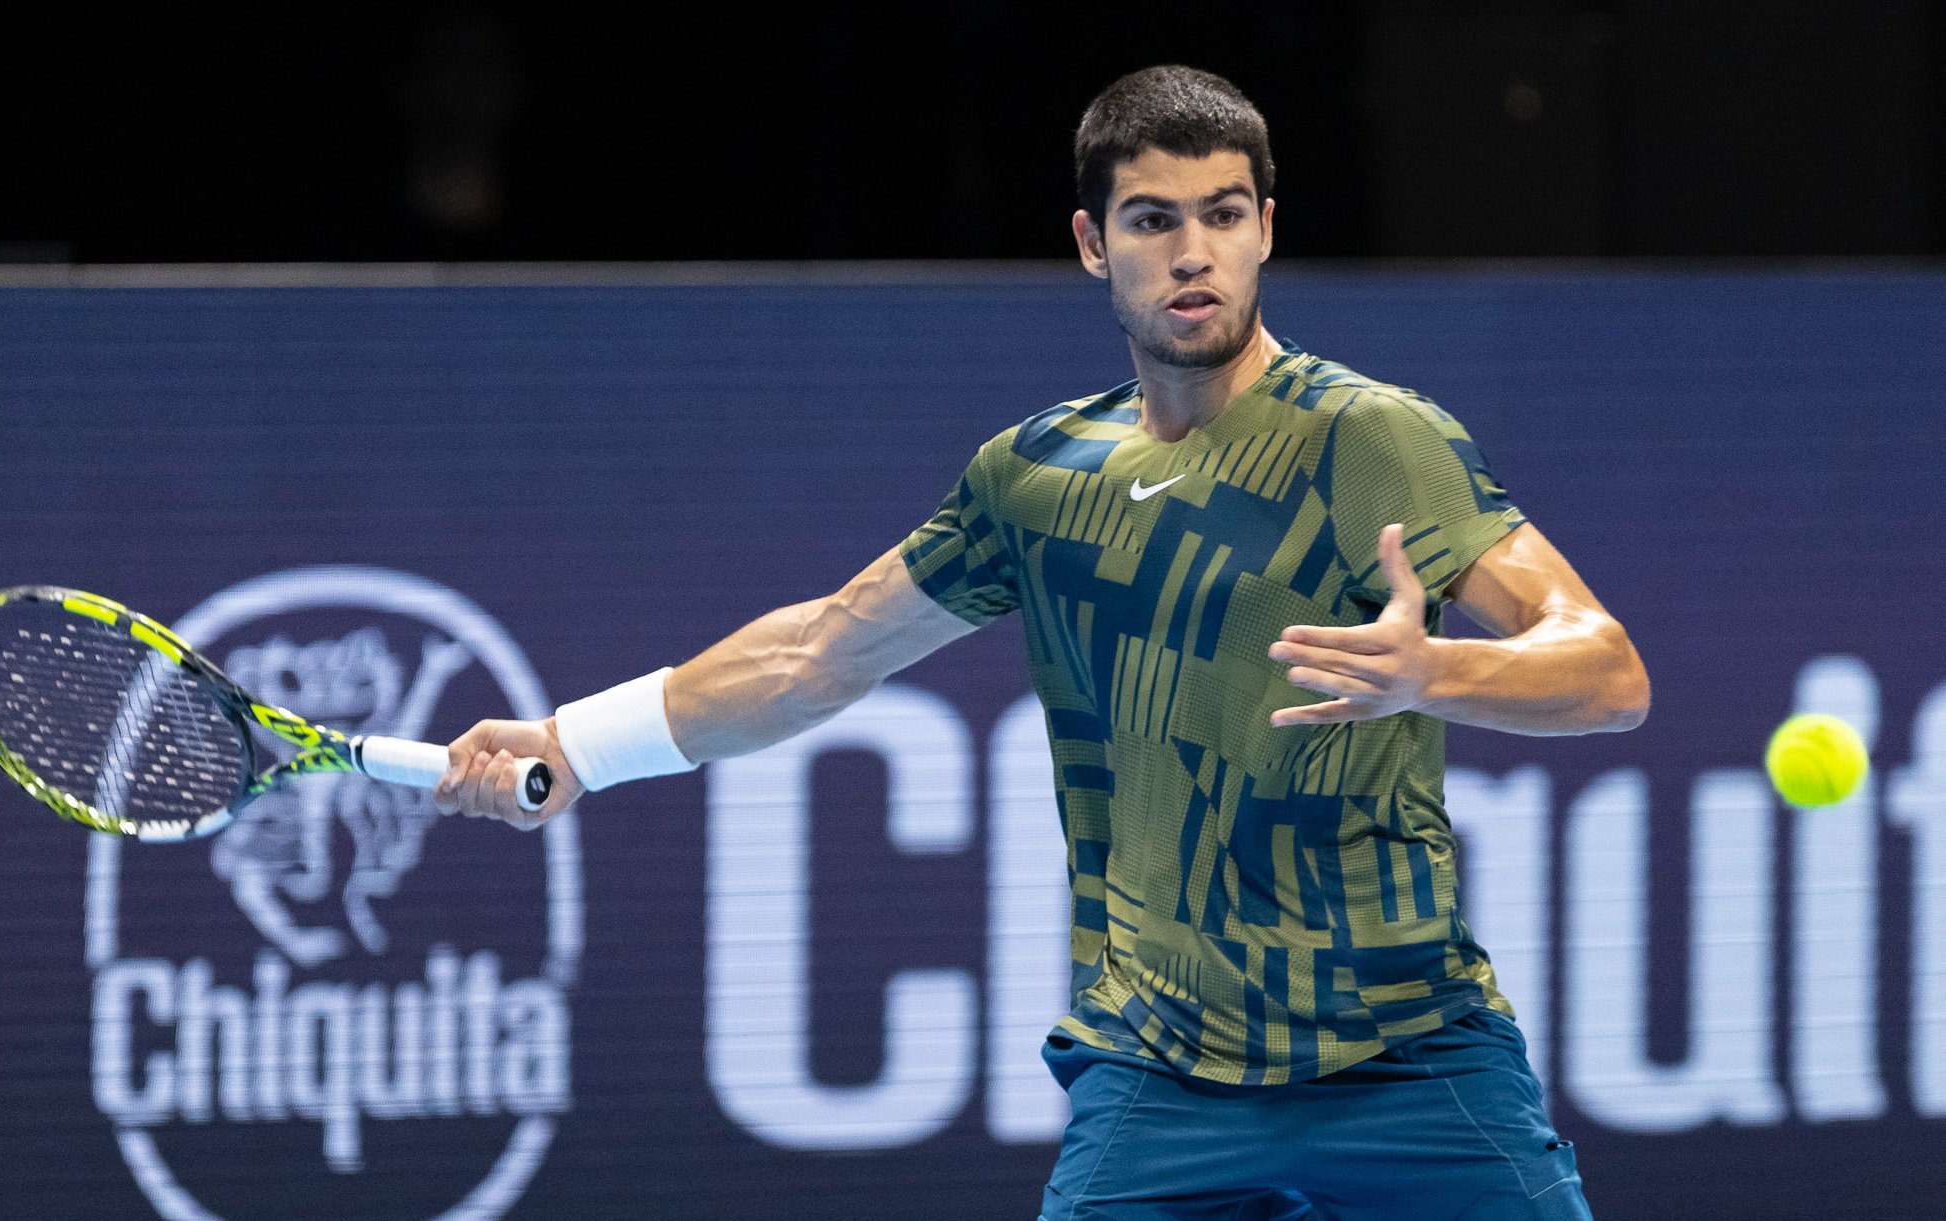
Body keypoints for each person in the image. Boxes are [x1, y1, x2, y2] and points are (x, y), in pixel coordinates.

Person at [436, 64, 1647, 1221]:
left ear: (1265, 229)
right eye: (1151, 220)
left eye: (1223, 214)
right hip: (1158, 1074)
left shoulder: (1375, 440)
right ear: (1090, 244)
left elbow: (1604, 669)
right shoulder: (1032, 478)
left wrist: (1439, 672)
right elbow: (821, 652)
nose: (1191, 252)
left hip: (1409, 1056)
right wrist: (575, 745)